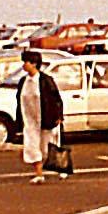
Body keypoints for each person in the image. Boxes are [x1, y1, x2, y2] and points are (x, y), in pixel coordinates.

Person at [14, 50, 65, 183]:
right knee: (32, 146)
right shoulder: (23, 82)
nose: (24, 65)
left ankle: (61, 168)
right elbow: (19, 102)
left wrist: (59, 115)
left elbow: (56, 99)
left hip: (46, 118)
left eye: (26, 62)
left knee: (50, 145)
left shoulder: (46, 80)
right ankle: (39, 174)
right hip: (30, 120)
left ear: (34, 64)